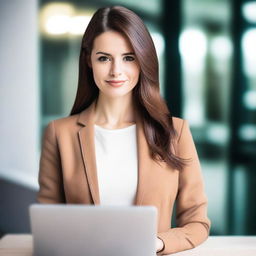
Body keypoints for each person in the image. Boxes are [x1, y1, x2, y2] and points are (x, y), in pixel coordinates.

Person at [37, 5, 211, 255]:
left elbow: (197, 222)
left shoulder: (175, 131)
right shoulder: (59, 133)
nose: (116, 70)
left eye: (128, 57)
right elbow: (48, 222)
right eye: (104, 58)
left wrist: (158, 243)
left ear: (143, 61)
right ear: (89, 60)